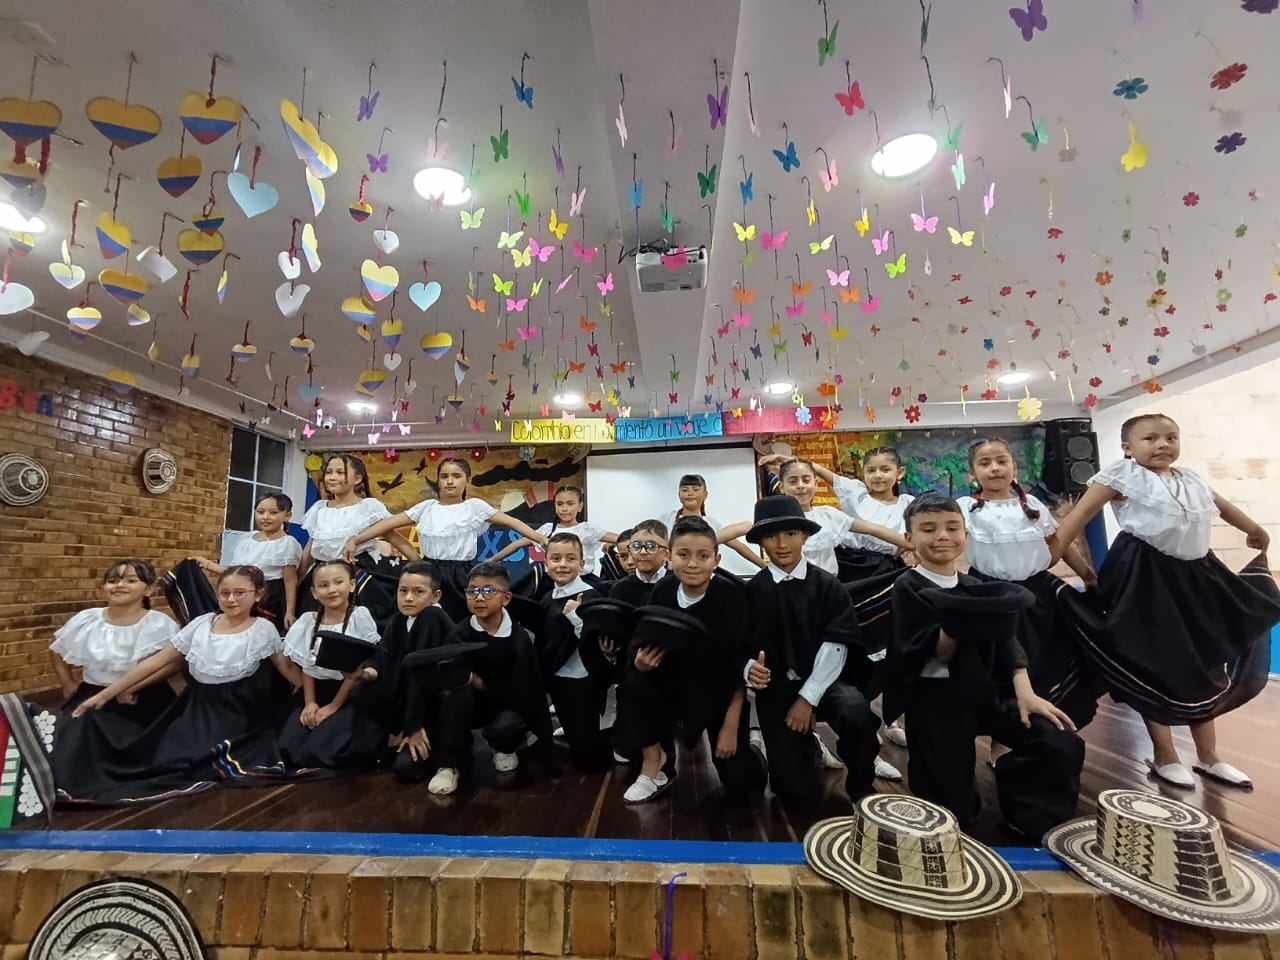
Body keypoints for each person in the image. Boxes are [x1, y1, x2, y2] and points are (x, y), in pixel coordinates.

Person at [1052, 413, 1280, 790]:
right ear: (1127, 448)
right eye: (1151, 439)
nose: (1162, 445)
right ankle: (1165, 755)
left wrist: (1253, 529)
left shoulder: (1190, 479)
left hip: (1196, 574)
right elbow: (1083, 513)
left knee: (1203, 658)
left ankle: (1209, 756)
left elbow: (1222, 505)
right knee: (1155, 660)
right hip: (1144, 575)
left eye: (1171, 437)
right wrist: (1060, 552)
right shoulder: (1120, 475)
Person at [886, 495, 1085, 838]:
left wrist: (1026, 693)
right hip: (935, 704)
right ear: (909, 538)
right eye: (928, 529)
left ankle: (1032, 818)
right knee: (950, 809)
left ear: (965, 535)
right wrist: (955, 623)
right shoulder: (907, 587)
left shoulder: (976, 587)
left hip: (985, 693)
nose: (942, 536)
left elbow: (1008, 643)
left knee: (1058, 740)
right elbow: (926, 655)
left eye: (952, 528)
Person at [70, 566, 304, 804]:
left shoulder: (263, 628)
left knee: (202, 757)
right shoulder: (201, 624)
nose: (231, 599)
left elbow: (285, 667)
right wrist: (106, 694)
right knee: (164, 758)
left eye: (240, 593)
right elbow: (158, 661)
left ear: (258, 594)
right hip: (196, 708)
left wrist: (310, 697)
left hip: (238, 712)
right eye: (224, 593)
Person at [742, 496, 882, 801]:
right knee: (791, 789)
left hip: (828, 680)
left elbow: (837, 644)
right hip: (778, 687)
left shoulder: (828, 586)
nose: (782, 544)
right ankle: (809, 749)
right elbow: (743, 644)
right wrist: (750, 668)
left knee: (855, 711)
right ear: (761, 542)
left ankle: (861, 783)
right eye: (771, 536)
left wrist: (808, 698)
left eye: (791, 533)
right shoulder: (752, 591)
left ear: (805, 535)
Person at [618, 517, 768, 802]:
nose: (692, 564)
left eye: (703, 556)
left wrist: (731, 725)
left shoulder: (732, 596)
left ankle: (753, 747)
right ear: (669, 556)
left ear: (716, 560)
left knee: (739, 781)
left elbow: (738, 659)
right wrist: (639, 664)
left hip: (718, 692)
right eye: (683, 555)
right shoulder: (663, 590)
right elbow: (644, 638)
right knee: (634, 679)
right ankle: (655, 764)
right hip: (672, 686)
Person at [957, 438, 1100, 730]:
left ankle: (1051, 727)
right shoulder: (965, 508)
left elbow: (1058, 545)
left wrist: (1087, 576)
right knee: (1000, 667)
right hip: (990, 597)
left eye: (1002, 461)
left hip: (1038, 597)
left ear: (1014, 468)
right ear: (972, 473)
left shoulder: (1033, 505)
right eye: (985, 463)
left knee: (1044, 660)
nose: (995, 468)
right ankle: (1004, 737)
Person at [343, 458, 548, 620]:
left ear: (467, 480)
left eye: (456, 476)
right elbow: (388, 523)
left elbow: (512, 521)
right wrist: (356, 540)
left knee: (461, 618)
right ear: (438, 481)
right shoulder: (426, 507)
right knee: (423, 618)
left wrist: (540, 538)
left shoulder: (474, 507)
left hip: (461, 575)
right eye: (444, 476)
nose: (450, 481)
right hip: (428, 572)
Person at [48, 560, 179, 801]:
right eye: (112, 581)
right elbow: (57, 649)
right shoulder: (87, 619)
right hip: (92, 693)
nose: (119, 585)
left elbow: (174, 663)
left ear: (149, 590)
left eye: (130, 580)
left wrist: (133, 686)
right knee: (72, 738)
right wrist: (67, 682)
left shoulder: (158, 624)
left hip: (144, 698)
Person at [446, 561, 557, 775]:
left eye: (488, 591)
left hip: (509, 704)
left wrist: (479, 682)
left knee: (507, 726)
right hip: (472, 705)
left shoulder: (519, 638)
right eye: (472, 591)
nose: (479, 598)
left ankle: (506, 747)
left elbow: (530, 690)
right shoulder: (458, 633)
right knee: (453, 694)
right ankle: (454, 758)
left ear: (506, 598)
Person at [718, 459, 909, 579]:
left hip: (828, 588)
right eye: (793, 481)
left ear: (815, 484)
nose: (801, 486)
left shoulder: (828, 514)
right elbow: (741, 528)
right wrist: (705, 543)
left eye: (806, 480)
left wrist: (912, 545)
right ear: (782, 487)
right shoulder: (776, 517)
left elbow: (872, 529)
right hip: (788, 587)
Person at [277, 560, 384, 769]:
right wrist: (310, 703)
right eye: (324, 585)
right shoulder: (308, 621)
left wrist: (333, 707)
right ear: (314, 592)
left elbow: (355, 671)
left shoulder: (359, 617)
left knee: (320, 751)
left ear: (351, 585)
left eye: (338, 582)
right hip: (317, 691)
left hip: (350, 693)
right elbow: (308, 666)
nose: (332, 590)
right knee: (288, 748)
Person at [378, 562, 470, 794]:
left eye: (418, 592)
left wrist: (414, 726)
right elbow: (387, 664)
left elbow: (421, 676)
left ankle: (449, 763)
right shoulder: (398, 621)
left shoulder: (432, 617)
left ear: (435, 596)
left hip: (437, 711)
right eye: (403, 591)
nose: (408, 598)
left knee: (406, 768)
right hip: (410, 708)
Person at [299, 454, 416, 626]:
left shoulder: (367, 507)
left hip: (356, 572)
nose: (332, 477)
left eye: (340, 472)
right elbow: (310, 549)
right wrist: (298, 580)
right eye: (329, 472)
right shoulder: (319, 508)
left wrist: (420, 564)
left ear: (357, 479)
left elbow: (392, 536)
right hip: (321, 575)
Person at [537, 532, 617, 770]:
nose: (562, 564)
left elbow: (596, 639)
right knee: (570, 725)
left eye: (570, 559)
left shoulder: (591, 596)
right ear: (546, 564)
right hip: (557, 675)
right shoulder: (547, 597)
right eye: (556, 559)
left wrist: (574, 615)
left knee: (588, 742)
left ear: (581, 564)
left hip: (584, 677)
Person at [193, 492, 302, 630]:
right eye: (260, 512)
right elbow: (235, 571)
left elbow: (290, 581)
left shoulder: (287, 544)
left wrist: (289, 612)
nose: (265, 517)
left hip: (269, 600)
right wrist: (206, 564)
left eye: (273, 513)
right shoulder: (247, 539)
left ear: (287, 516)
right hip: (240, 597)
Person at [805, 447, 916, 581]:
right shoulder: (856, 494)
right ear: (864, 473)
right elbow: (822, 471)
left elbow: (916, 535)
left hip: (889, 566)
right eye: (871, 470)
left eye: (885, 470)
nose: (877, 475)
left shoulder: (908, 504)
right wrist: (793, 462)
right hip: (852, 563)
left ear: (899, 472)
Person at [491, 484, 619, 586]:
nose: (564, 509)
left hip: (583, 581)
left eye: (570, 504)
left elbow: (621, 538)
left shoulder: (587, 529)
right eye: (560, 504)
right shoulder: (547, 530)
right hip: (553, 582)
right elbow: (517, 544)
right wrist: (492, 560)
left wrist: (610, 544)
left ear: (580, 506)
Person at [661, 473, 764, 570]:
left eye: (695, 489)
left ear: (705, 494)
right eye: (685, 490)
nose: (690, 493)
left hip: (701, 573)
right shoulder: (667, 519)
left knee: (746, 525)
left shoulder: (711, 523)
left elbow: (739, 546)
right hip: (673, 572)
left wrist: (766, 566)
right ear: (679, 495)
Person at [609, 519, 671, 606]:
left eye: (651, 546)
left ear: (666, 554)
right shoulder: (620, 588)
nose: (643, 552)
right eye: (636, 546)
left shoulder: (679, 585)